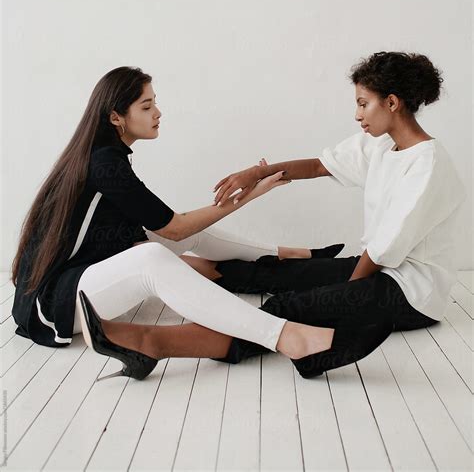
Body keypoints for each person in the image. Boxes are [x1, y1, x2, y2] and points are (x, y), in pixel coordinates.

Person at [75, 50, 464, 381]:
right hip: (379, 269)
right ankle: (212, 277)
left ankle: (152, 344)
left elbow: (381, 253)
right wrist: (257, 172)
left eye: (363, 103)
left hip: (411, 292)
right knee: (279, 275)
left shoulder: (428, 165)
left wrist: (337, 297)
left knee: (287, 306)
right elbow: (317, 166)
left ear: (392, 103)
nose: (357, 114)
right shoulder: (382, 147)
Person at [12, 66, 381, 382]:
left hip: (80, 278)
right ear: (115, 117)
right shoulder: (105, 163)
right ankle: (290, 339)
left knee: (167, 237)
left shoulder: (105, 156)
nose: (158, 112)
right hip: (52, 305)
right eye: (147, 105)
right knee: (154, 256)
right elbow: (175, 229)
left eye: (155, 102)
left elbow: (168, 226)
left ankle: (289, 255)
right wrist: (251, 195)